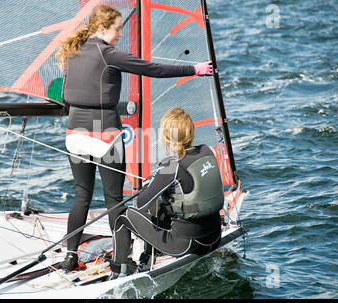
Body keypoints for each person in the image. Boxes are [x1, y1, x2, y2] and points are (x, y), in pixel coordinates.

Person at [55, 5, 213, 272]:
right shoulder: (108, 54)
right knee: (113, 198)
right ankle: (121, 261)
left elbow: (67, 97)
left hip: (74, 136)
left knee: (81, 195)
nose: (120, 34)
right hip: (104, 138)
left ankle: (70, 256)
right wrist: (194, 69)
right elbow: (151, 69)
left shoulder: (72, 52)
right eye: (117, 29)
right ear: (103, 28)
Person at [110, 108, 224, 278]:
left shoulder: (171, 165)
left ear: (167, 137)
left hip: (187, 244)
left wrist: (149, 184)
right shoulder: (207, 151)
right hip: (214, 238)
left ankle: (118, 271)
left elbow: (141, 203)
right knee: (165, 203)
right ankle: (146, 259)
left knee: (122, 216)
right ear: (191, 131)